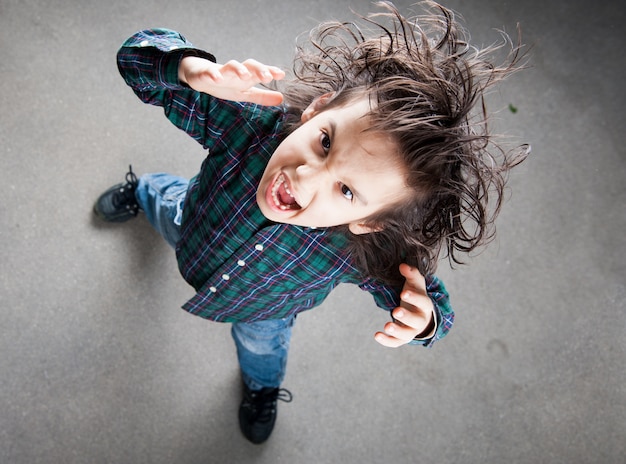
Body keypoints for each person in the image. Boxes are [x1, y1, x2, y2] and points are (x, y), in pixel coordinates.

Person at [94, 1, 526, 444]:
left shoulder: (365, 253)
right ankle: (144, 189)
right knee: (164, 202)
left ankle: (261, 389)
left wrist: (426, 319)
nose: (305, 176)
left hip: (264, 310)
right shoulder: (251, 128)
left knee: (263, 351)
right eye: (325, 141)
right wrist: (189, 70)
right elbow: (135, 60)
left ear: (370, 223)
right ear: (318, 109)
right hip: (191, 225)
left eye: (346, 191)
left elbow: (425, 298)